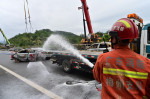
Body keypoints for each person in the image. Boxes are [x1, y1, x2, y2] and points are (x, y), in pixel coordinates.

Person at [93, 18, 150, 99]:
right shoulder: (147, 63)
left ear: (115, 39)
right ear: (131, 39)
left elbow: (98, 78)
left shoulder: (102, 58)